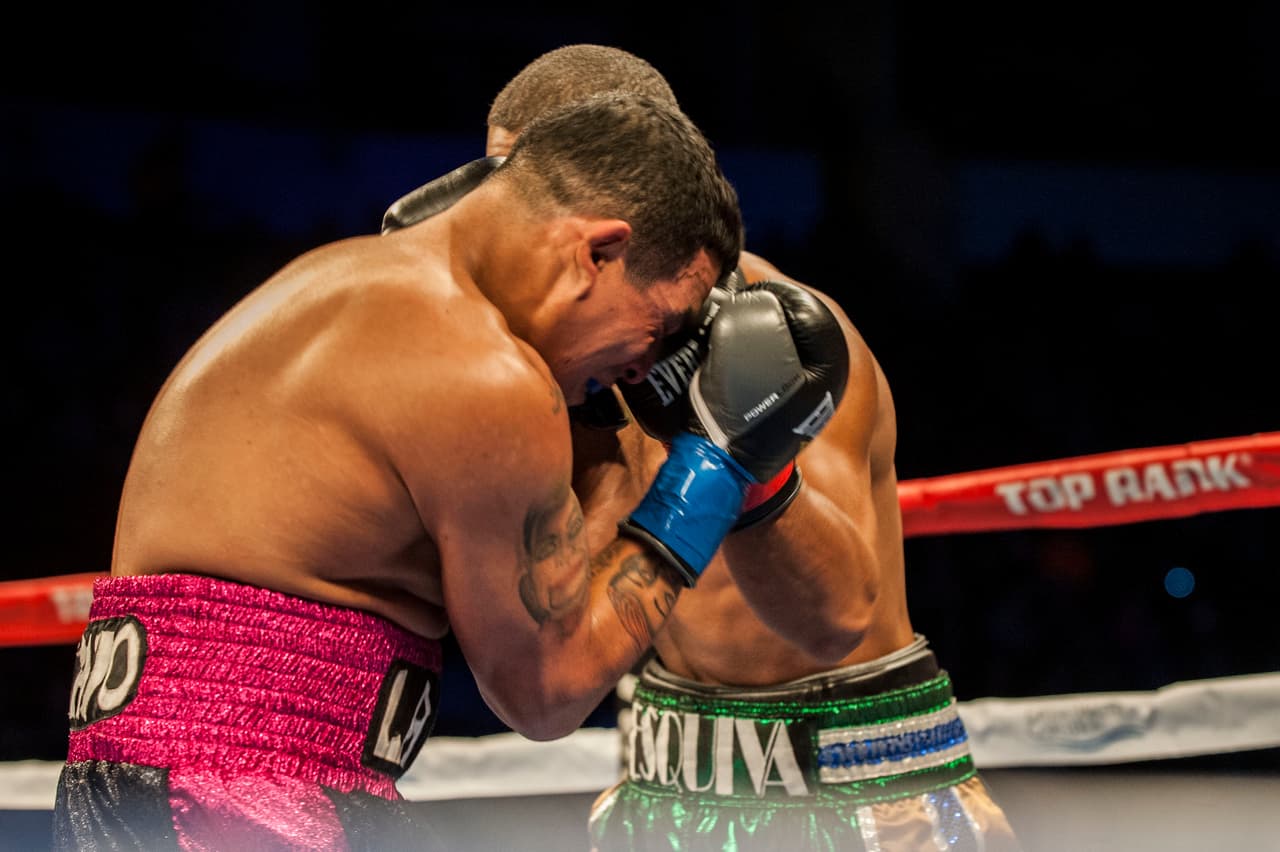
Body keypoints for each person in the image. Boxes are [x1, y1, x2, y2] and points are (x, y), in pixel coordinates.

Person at [48, 91, 851, 850]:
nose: (650, 365)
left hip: (197, 785)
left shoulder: (355, 283)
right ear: (598, 251)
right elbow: (547, 690)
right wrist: (711, 469)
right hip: (237, 800)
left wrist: (613, 423)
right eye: (662, 321)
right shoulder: (482, 374)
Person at [478, 45, 1024, 850]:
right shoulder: (568, 364)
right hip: (667, 774)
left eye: (510, 181)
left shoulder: (783, 337)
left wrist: (742, 457)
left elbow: (834, 618)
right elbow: (561, 625)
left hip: (858, 787)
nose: (488, 210)